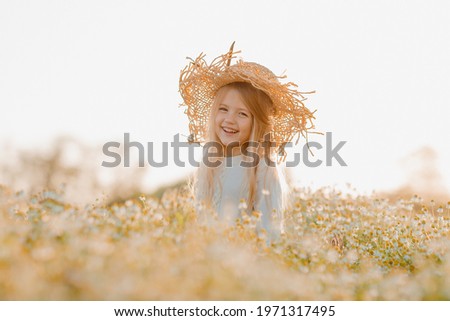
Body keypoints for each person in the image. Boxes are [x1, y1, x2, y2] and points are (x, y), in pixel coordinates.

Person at [178, 42, 317, 241]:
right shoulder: (209, 163)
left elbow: (269, 234)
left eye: (242, 114)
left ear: (257, 123)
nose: (229, 120)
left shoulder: (263, 167)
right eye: (223, 109)